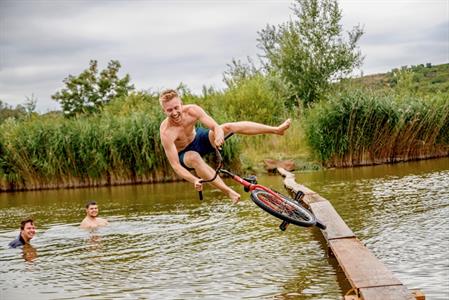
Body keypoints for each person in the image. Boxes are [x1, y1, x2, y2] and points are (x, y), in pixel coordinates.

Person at [159, 89, 291, 203]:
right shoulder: (166, 132)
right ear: (164, 111)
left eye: (176, 107)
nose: (175, 112)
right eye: (169, 110)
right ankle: (229, 192)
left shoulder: (193, 110)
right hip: (185, 153)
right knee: (194, 157)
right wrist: (194, 180)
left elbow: (215, 127)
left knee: (227, 126)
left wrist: (219, 136)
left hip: (199, 138)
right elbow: (175, 165)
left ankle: (277, 130)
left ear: (181, 104)